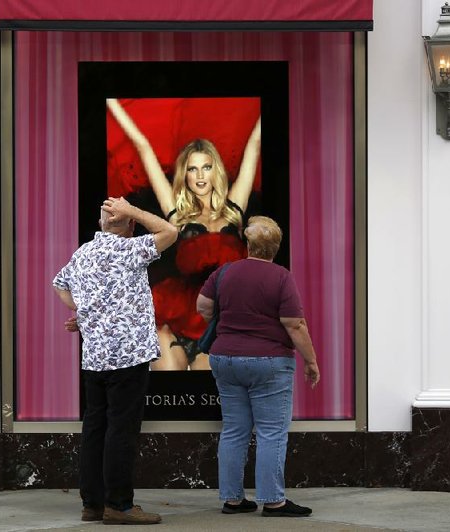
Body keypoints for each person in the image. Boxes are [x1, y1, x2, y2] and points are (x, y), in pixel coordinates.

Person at [107, 98, 262, 370]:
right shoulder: (176, 214)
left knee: (208, 397)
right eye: (192, 168)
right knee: (167, 389)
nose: (200, 175)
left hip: (222, 324)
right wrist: (110, 101)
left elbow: (254, 144)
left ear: (217, 170)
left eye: (206, 167)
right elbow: (143, 147)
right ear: (185, 175)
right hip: (175, 317)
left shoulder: (235, 208)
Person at [53, 197, 177, 525]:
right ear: (130, 224)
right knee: (121, 429)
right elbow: (171, 231)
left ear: (100, 223)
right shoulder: (130, 249)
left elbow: (60, 286)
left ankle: (92, 503)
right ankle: (119, 505)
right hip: (128, 354)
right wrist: (133, 210)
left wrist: (83, 312)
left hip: (94, 356)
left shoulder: (82, 254)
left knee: (96, 428)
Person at [196, 216, 321, 518]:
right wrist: (311, 361)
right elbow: (295, 324)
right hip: (269, 362)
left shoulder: (224, 272)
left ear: (248, 245)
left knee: (234, 429)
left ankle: (233, 500)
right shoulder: (281, 277)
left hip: (224, 359)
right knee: (271, 431)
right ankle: (273, 501)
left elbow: (203, 307)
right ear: (275, 248)